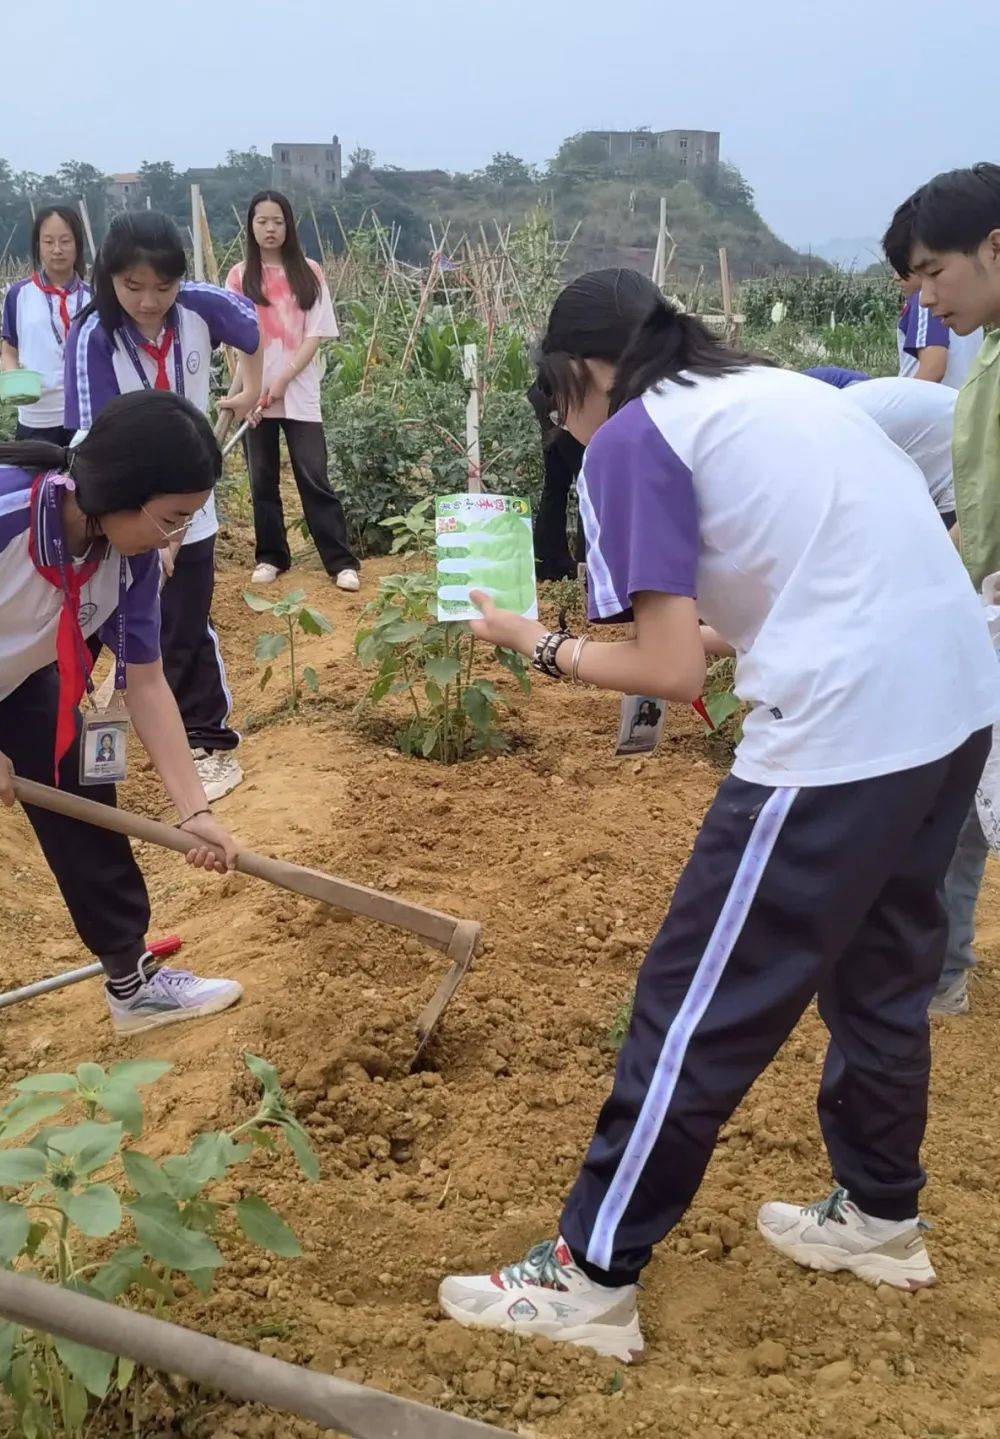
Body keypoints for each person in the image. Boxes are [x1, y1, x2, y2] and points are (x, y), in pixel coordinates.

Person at [437, 269, 1000, 1362]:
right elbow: (767, 595)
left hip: (842, 732)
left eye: (559, 402)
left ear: (582, 374)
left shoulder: (635, 437)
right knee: (884, 969)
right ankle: (881, 1215)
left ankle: (592, 1271)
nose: (567, 425)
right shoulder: (771, 392)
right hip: (955, 701)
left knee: (696, 998)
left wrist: (534, 645)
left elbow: (663, 667)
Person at [0, 391, 246, 1035]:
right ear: (123, 491)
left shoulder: (129, 560)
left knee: (82, 781)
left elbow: (147, 684)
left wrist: (197, 814)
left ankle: (133, 985)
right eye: (174, 518)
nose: (178, 538)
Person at [65, 210, 263, 804]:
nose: (149, 301)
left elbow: (252, 329)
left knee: (183, 623)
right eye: (133, 286)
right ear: (109, 279)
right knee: (93, 621)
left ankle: (207, 741)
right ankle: (65, 740)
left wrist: (250, 385)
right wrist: (146, 532)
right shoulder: (92, 337)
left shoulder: (204, 306)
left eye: (163, 286)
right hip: (119, 514)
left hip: (189, 508)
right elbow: (91, 444)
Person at [884, 160, 1000, 1015]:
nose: (927, 297)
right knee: (956, 804)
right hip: (983, 616)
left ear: (995, 248)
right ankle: (940, 979)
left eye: (936, 272)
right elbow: (979, 507)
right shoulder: (990, 354)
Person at [225, 191, 359, 592]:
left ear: (289, 226)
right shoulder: (239, 275)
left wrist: (283, 378)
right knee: (261, 478)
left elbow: (315, 333)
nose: (270, 229)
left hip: (299, 391)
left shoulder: (309, 272)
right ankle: (270, 556)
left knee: (313, 474)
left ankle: (340, 562)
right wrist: (249, 391)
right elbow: (234, 338)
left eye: (278, 221)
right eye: (263, 221)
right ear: (251, 225)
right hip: (255, 394)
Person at [805, 370, 958, 529]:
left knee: (941, 548)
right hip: (947, 440)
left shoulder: (832, 434)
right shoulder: (825, 416)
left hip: (962, 455)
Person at [0, 205, 90, 446]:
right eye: (48, 242)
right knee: (37, 482)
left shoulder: (94, 299)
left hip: (85, 416)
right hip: (36, 417)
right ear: (38, 246)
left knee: (82, 483)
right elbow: (9, 350)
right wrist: (13, 378)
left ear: (77, 245)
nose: (57, 250)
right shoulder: (19, 295)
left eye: (65, 241)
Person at [889, 205, 983, 388]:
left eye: (901, 267)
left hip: (928, 413)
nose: (896, 277)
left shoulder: (925, 301)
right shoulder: (969, 302)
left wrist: (902, 409)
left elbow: (933, 369)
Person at [527, 382, 586, 581]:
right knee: (589, 483)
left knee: (556, 482)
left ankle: (549, 564)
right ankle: (587, 567)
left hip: (551, 394)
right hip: (566, 396)